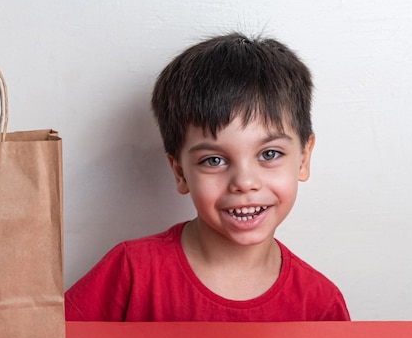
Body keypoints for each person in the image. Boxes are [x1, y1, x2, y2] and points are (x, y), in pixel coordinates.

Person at [65, 32, 350, 321]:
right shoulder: (131, 271)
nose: (245, 182)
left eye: (269, 154)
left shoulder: (320, 304)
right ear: (180, 173)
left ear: (303, 158)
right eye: (214, 160)